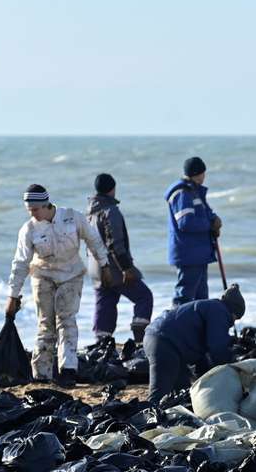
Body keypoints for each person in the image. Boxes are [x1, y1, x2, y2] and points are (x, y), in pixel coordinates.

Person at [6, 184, 111, 386]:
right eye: (29, 210)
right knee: (46, 325)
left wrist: (104, 265)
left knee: (66, 320)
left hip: (71, 275)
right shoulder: (28, 230)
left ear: (46, 205)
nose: (32, 214)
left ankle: (68, 369)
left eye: (35, 209)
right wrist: (13, 295)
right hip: (42, 276)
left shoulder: (72, 217)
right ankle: (41, 374)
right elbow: (20, 263)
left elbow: (93, 239)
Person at [143, 285, 244, 404]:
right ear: (233, 311)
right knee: (159, 394)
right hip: (165, 343)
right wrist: (229, 368)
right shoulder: (220, 311)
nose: (232, 322)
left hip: (160, 339)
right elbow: (217, 348)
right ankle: (144, 414)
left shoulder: (207, 307)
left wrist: (205, 376)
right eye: (236, 318)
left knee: (182, 392)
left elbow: (200, 357)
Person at [87, 173, 153, 344]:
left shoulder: (90, 213)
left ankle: (101, 343)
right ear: (112, 189)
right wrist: (126, 268)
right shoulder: (111, 211)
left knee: (106, 303)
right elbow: (115, 243)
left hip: (96, 269)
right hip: (114, 269)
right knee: (144, 297)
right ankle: (140, 340)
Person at [166, 157, 222, 306]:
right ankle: (176, 320)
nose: (204, 176)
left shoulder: (194, 191)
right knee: (184, 297)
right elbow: (186, 223)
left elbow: (204, 212)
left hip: (198, 253)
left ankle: (199, 322)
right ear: (198, 173)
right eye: (203, 173)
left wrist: (214, 219)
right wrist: (210, 225)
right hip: (189, 253)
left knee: (201, 299)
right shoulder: (182, 193)